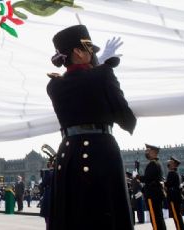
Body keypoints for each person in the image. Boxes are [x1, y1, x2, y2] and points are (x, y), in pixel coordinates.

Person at [47, 25, 137, 230]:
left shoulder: (53, 85)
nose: (92, 54)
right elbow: (126, 119)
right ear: (78, 52)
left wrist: (100, 67)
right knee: (104, 217)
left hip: (67, 152)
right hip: (99, 150)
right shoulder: (103, 75)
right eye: (89, 50)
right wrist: (105, 69)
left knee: (71, 217)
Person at [142, 144, 166, 230]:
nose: (146, 152)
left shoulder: (152, 164)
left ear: (153, 152)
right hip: (156, 194)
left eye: (147, 150)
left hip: (152, 195)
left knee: (155, 218)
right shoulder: (157, 163)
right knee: (159, 217)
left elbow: (147, 178)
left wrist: (138, 177)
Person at [165, 156, 184, 230]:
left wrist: (163, 183)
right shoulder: (175, 173)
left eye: (170, 163)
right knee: (177, 215)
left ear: (173, 165)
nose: (168, 164)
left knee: (176, 216)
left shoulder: (172, 173)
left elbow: (168, 184)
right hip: (175, 198)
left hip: (173, 198)